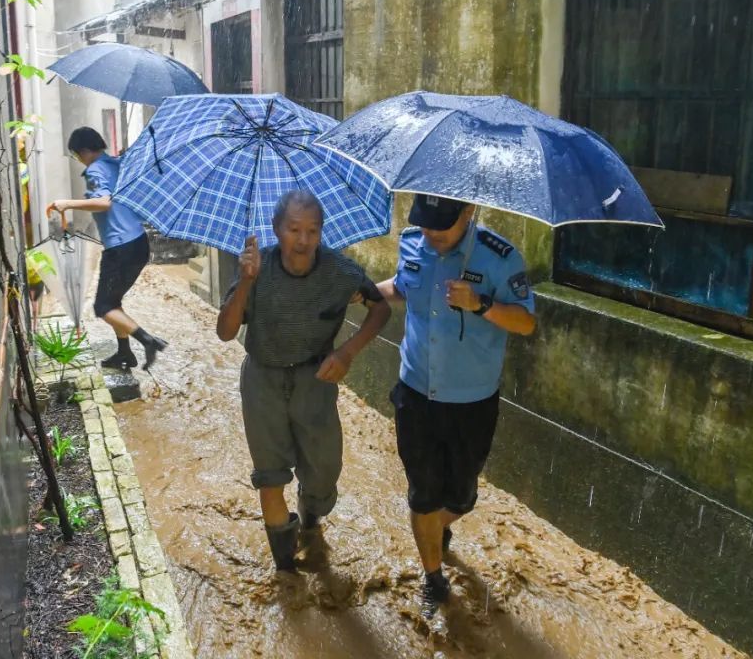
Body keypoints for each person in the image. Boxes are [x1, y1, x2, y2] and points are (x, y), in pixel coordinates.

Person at [376, 194, 536, 618]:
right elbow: (403, 286)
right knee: (423, 496)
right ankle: (433, 576)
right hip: (416, 395)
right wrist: (365, 292)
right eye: (424, 222)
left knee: (461, 498)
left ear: (468, 212)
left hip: (472, 404)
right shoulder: (412, 243)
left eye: (441, 224)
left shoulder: (500, 257)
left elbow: (526, 322)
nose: (430, 232)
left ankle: (436, 527)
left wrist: (480, 304)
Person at [216, 190, 391, 572]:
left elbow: (380, 307)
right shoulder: (257, 267)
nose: (303, 240)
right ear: (276, 229)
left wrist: (347, 352)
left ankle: (310, 516)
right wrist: (245, 282)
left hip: (316, 380)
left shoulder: (339, 271)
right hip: (262, 380)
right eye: (293, 229)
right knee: (270, 476)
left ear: (321, 232)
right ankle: (286, 569)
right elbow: (225, 332)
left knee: (324, 471)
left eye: (312, 230)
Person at [49, 127, 167, 370]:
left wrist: (67, 204)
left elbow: (104, 202)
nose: (78, 160)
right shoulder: (116, 164)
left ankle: (148, 341)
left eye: (76, 155)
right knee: (113, 301)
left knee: (103, 307)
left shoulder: (95, 170)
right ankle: (125, 353)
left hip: (121, 248)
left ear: (83, 151)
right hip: (138, 242)